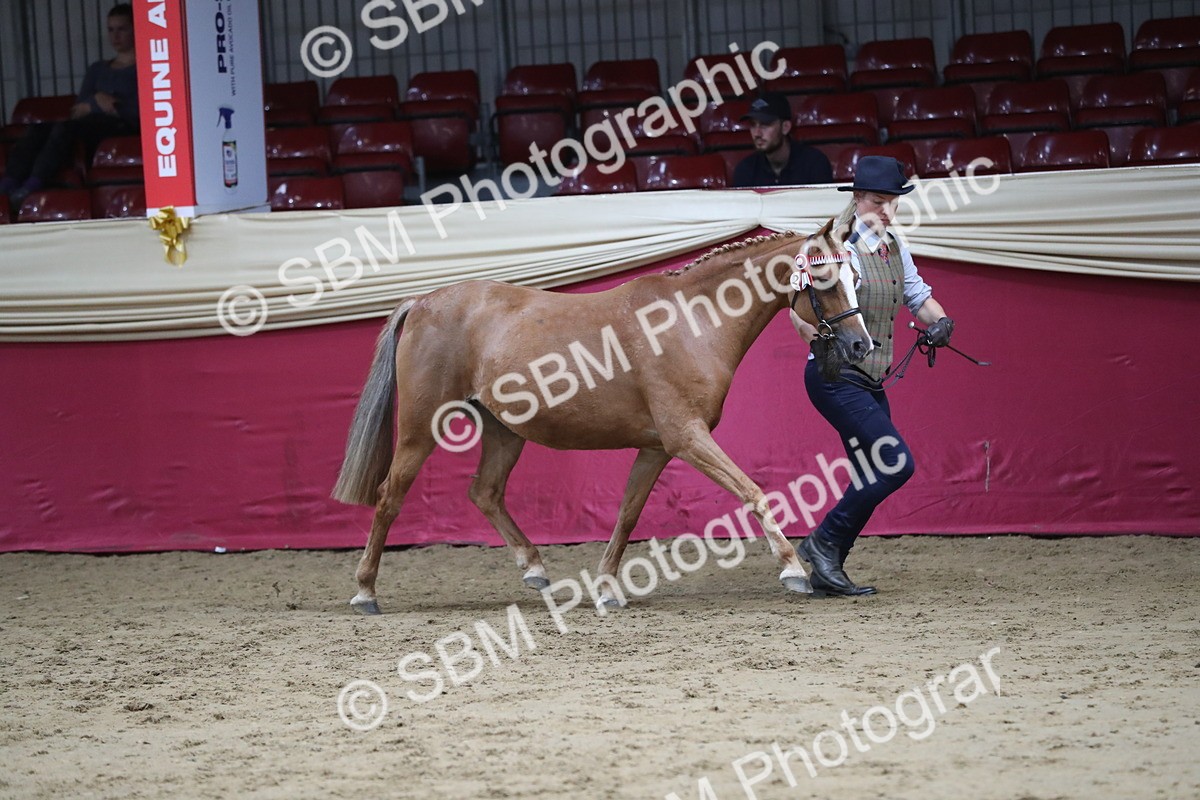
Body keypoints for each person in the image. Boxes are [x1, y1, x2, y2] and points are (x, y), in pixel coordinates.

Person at [792, 155, 955, 596]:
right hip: (834, 377)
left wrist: (940, 322)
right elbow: (799, 308)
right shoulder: (829, 247)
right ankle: (822, 541)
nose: (886, 211)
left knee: (871, 472)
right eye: (877, 202)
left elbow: (918, 297)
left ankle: (828, 566)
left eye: (892, 203)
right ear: (858, 199)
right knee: (894, 463)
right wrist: (816, 339)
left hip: (871, 378)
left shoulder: (895, 248)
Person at [0, 3, 139, 206]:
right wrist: (97, 102)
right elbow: (78, 109)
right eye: (111, 30)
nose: (115, 36)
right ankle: (10, 181)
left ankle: (34, 183)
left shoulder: (144, 68)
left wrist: (110, 106)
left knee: (65, 129)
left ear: (135, 29)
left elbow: (139, 112)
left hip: (120, 127)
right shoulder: (97, 69)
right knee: (37, 130)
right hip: (90, 123)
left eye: (122, 29)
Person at [732, 92, 832, 187]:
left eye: (765, 124)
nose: (757, 133)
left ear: (785, 127)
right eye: (753, 125)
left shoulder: (814, 163)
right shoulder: (745, 170)